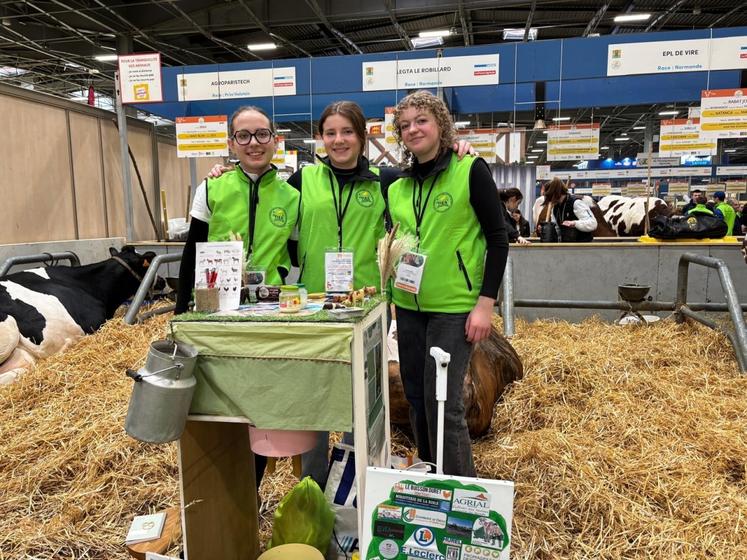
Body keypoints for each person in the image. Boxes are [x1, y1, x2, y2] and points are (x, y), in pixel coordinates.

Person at [207, 101, 476, 487]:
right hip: (313, 308)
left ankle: (357, 482)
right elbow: (261, 191)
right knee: (313, 395)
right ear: (321, 138)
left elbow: (429, 171)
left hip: (365, 309)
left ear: (363, 138)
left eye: (347, 132)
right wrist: (223, 170)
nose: (339, 140)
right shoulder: (303, 180)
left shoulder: (386, 182)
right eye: (330, 132)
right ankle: (314, 484)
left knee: (361, 400)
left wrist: (457, 151)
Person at [175, 105, 300, 488]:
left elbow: (296, 259)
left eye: (262, 134)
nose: (253, 143)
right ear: (231, 143)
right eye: (243, 136)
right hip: (217, 315)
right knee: (222, 405)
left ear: (275, 140)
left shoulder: (293, 194)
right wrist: (180, 314)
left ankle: (252, 486)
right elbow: (192, 252)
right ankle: (221, 489)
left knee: (260, 403)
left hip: (267, 315)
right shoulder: (212, 187)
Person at [388, 90, 509, 477]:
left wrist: (485, 303)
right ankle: (432, 478)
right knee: (418, 398)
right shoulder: (397, 186)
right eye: (404, 125)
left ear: (441, 124)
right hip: (408, 307)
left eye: (421, 120)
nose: (413, 129)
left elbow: (498, 238)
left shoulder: (469, 169)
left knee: (446, 403)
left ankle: (461, 493)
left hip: (454, 307)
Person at [540, 177, 597, 242]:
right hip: (566, 248)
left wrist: (574, 223)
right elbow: (557, 229)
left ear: (555, 193)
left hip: (583, 247)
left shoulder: (576, 203)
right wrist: (546, 229)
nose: (550, 201)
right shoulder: (555, 209)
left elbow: (593, 224)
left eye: (550, 196)